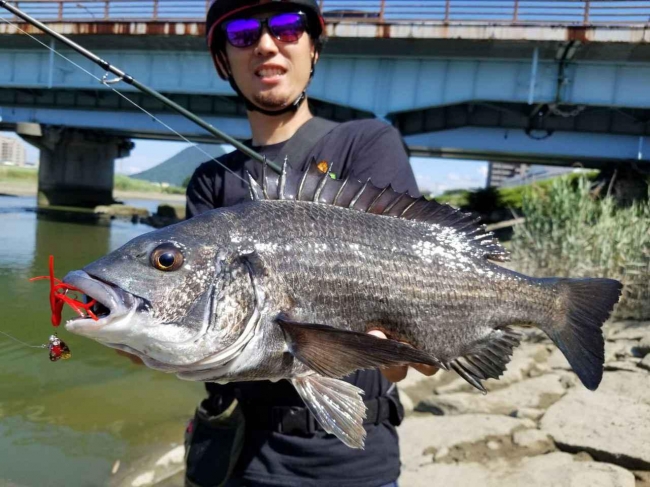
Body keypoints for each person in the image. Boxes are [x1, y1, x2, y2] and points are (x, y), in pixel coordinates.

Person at [181, 1, 438, 486]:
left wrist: (404, 348)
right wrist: (145, 333)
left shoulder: (366, 143)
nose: (264, 44)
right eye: (240, 33)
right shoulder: (211, 182)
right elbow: (204, 331)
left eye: (286, 27)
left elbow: (408, 266)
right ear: (223, 60)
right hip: (241, 460)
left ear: (313, 47)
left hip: (352, 464)